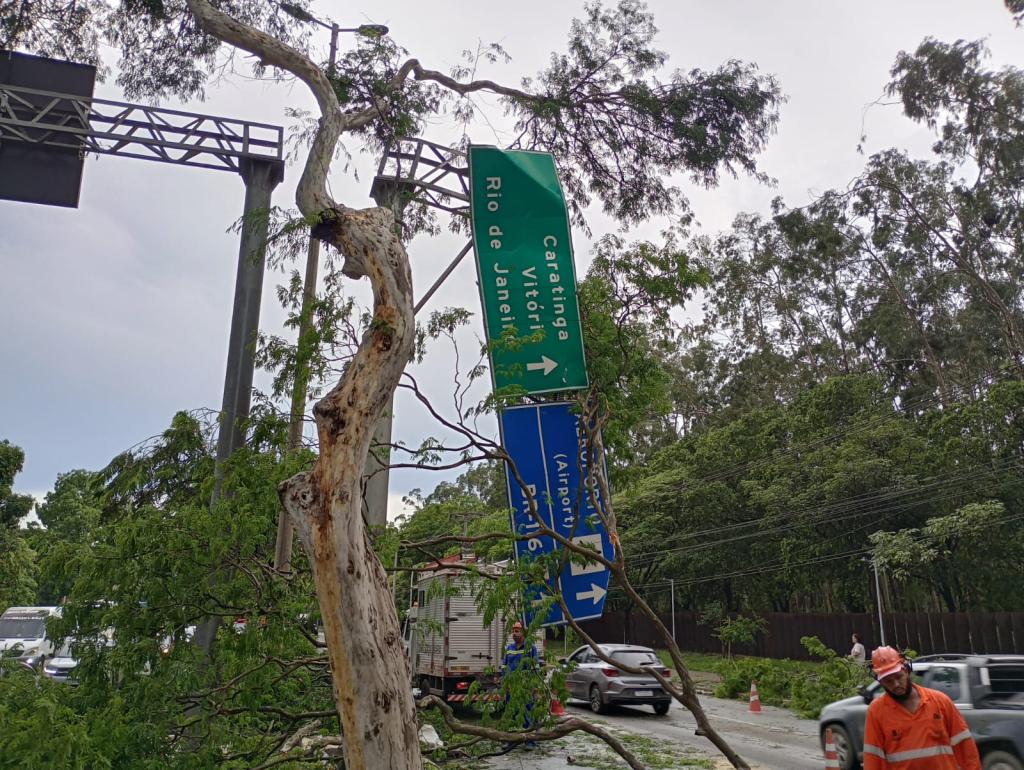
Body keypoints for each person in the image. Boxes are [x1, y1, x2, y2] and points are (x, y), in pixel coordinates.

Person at [862, 646, 981, 770]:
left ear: (907, 670)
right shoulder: (876, 712)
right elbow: (873, 760)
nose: (896, 684)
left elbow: (966, 749)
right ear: (880, 682)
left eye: (898, 677)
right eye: (888, 681)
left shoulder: (940, 702)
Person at [501, 621, 540, 751]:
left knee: (528, 712)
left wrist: (534, 686)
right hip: (512, 688)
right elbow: (504, 667)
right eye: (513, 631)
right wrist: (505, 683)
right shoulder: (509, 649)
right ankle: (511, 740)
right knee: (511, 713)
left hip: (526, 687)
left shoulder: (530, 648)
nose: (514, 633)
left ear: (523, 633)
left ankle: (530, 741)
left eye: (517, 631)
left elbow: (535, 668)